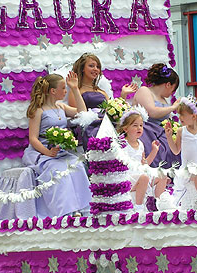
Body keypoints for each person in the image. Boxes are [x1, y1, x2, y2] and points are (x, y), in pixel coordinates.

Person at [22, 73, 92, 218]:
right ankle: (66, 211)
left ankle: (82, 208)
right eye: (63, 88)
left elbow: (82, 112)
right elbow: (33, 139)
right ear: (53, 91)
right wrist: (47, 153)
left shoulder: (61, 106)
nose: (65, 91)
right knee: (59, 170)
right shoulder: (38, 110)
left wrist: (75, 89)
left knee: (77, 166)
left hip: (60, 152)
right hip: (43, 153)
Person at [68, 53, 138, 150]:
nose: (95, 69)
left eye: (98, 67)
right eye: (91, 66)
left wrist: (123, 95)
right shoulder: (76, 90)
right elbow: (77, 115)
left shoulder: (101, 91)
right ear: (82, 68)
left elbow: (112, 110)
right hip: (92, 127)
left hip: (107, 122)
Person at [117, 107, 168, 212]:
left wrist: (154, 151)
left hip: (140, 174)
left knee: (162, 174)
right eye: (135, 126)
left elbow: (144, 164)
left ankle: (158, 203)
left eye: (141, 125)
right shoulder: (122, 143)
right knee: (144, 177)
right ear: (126, 129)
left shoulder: (140, 144)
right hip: (127, 177)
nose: (139, 128)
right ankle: (139, 207)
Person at [133, 63, 181, 168]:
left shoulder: (164, 100)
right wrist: (173, 107)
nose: (173, 93)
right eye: (174, 88)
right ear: (168, 84)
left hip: (162, 133)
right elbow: (152, 112)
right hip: (146, 132)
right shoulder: (144, 91)